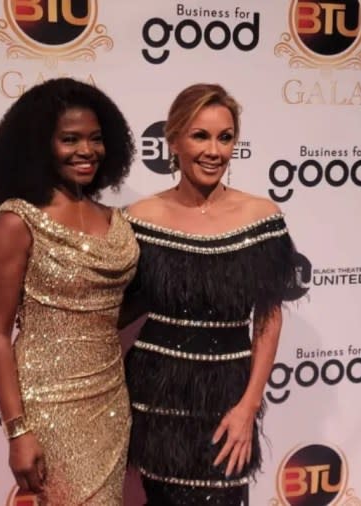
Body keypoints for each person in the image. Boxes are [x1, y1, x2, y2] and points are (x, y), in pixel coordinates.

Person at [122, 83, 297, 504]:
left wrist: (249, 406)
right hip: (156, 394)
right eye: (200, 135)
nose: (214, 151)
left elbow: (268, 318)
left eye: (225, 137)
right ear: (174, 140)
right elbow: (115, 308)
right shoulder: (139, 218)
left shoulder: (261, 217)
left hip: (228, 396)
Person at [0, 78, 138, 505]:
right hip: (50, 405)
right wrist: (17, 430)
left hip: (110, 398)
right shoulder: (17, 222)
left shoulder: (115, 220)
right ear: (40, 145)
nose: (86, 151)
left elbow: (106, 307)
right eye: (69, 139)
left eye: (95, 139)